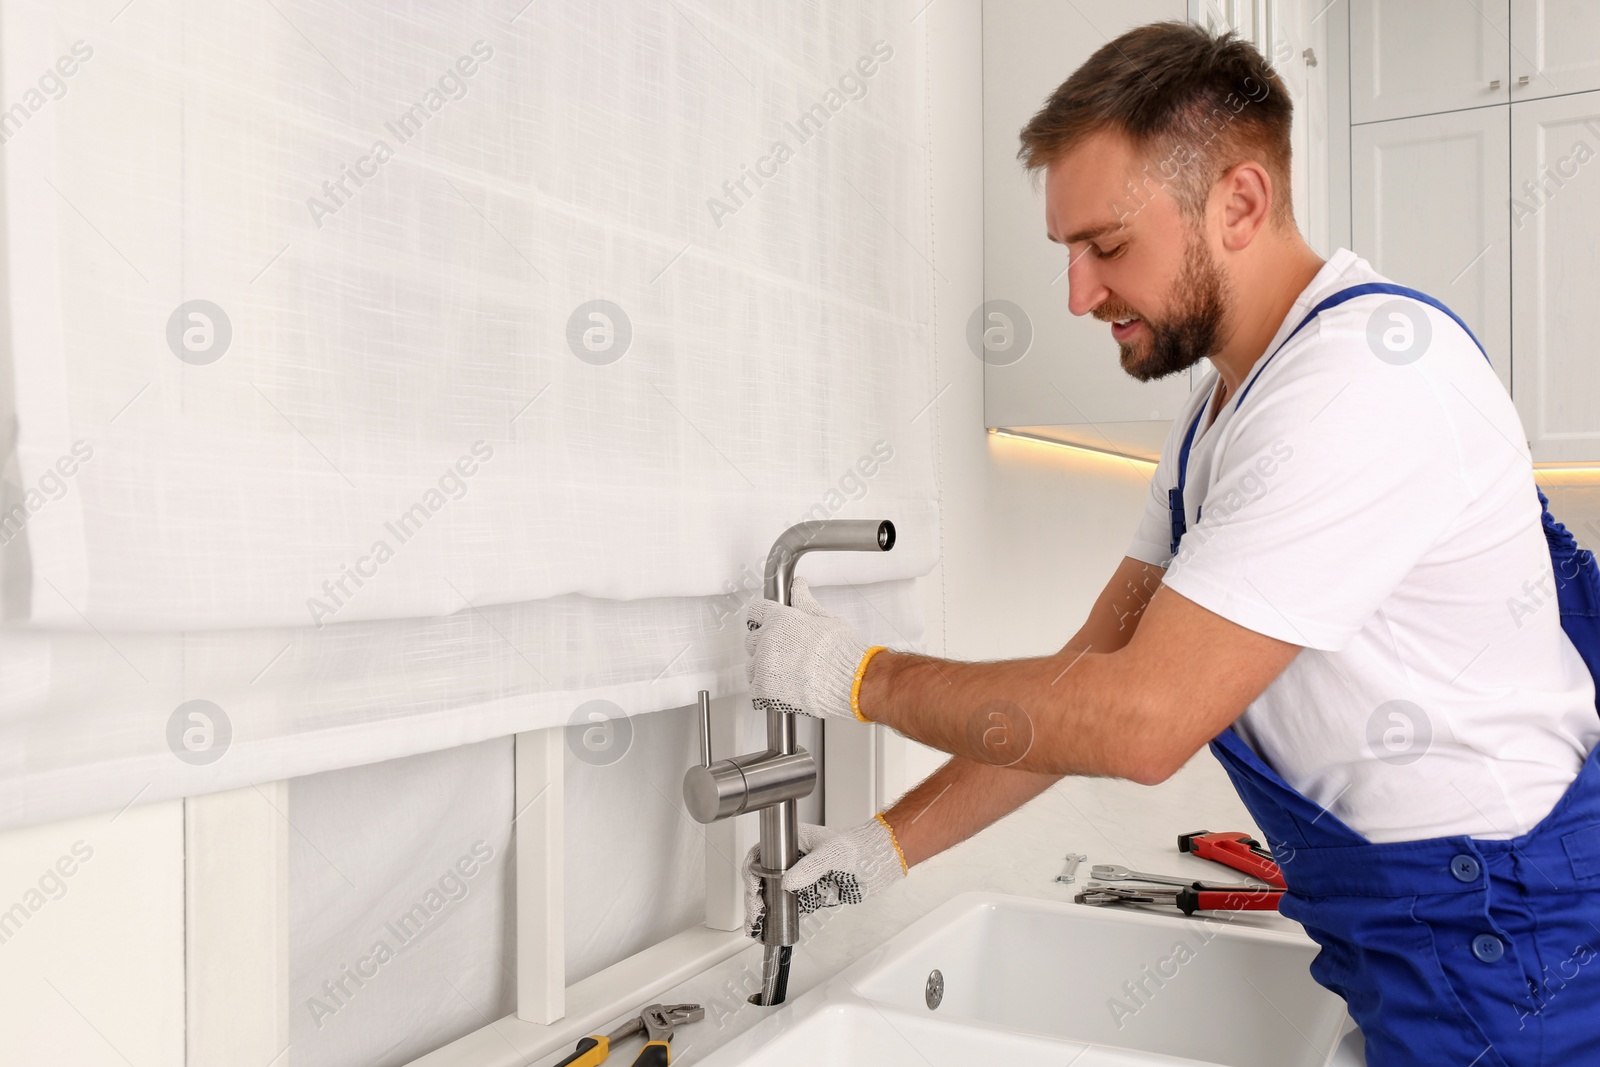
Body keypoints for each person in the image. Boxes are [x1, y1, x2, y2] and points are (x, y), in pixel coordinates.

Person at [740, 21, 1600, 1066]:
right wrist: (885, 847)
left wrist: (858, 675)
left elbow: (1139, 723)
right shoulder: (1220, 416)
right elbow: (1084, 681)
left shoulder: (1363, 381)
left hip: (1503, 943)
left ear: (1238, 203)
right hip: (1415, 927)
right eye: (1068, 251)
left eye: (1105, 245)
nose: (1077, 294)